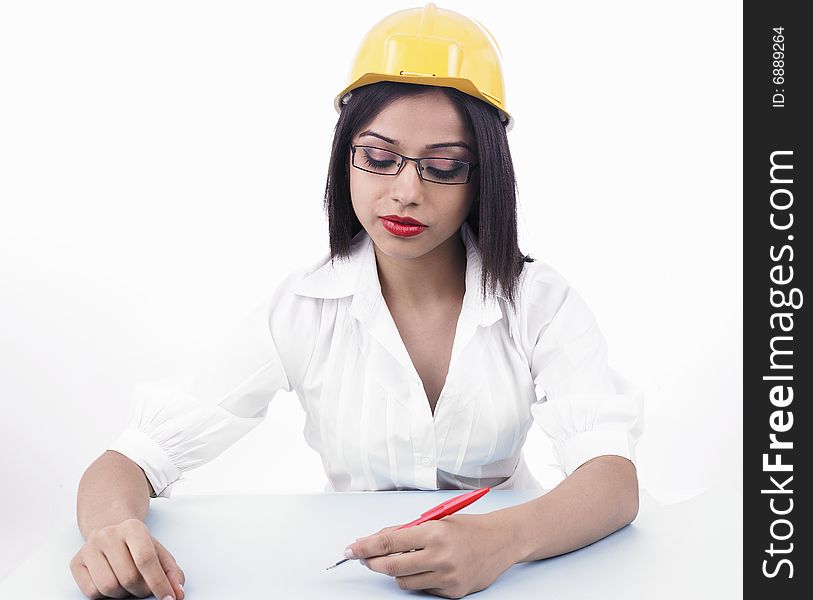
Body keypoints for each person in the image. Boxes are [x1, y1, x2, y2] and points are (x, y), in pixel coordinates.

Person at [71, 4, 644, 599]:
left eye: (443, 165)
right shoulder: (304, 307)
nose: (405, 192)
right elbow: (133, 458)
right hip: (355, 578)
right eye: (378, 157)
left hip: (519, 576)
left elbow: (611, 480)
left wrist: (497, 541)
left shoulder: (539, 301)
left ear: (484, 178)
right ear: (346, 155)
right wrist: (113, 531)